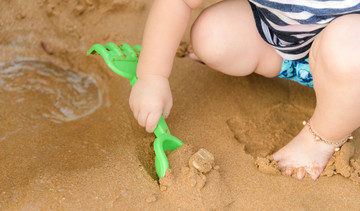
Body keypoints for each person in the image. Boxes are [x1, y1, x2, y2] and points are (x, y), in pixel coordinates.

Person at [129, 0, 360, 180]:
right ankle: (292, 67)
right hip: (289, 44)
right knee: (213, 35)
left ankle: (321, 138)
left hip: (351, 55)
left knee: (347, 47)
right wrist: (152, 75)